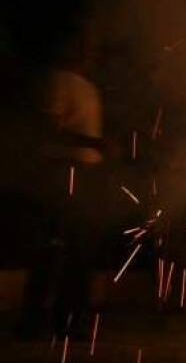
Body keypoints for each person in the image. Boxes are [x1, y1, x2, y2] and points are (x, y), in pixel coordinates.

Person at [18, 32, 107, 339]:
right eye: (85, 46)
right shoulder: (59, 81)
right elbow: (49, 129)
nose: (91, 53)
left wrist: (96, 150)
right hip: (63, 173)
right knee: (53, 247)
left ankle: (69, 321)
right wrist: (95, 143)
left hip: (84, 175)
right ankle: (33, 322)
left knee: (79, 250)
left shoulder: (88, 88)